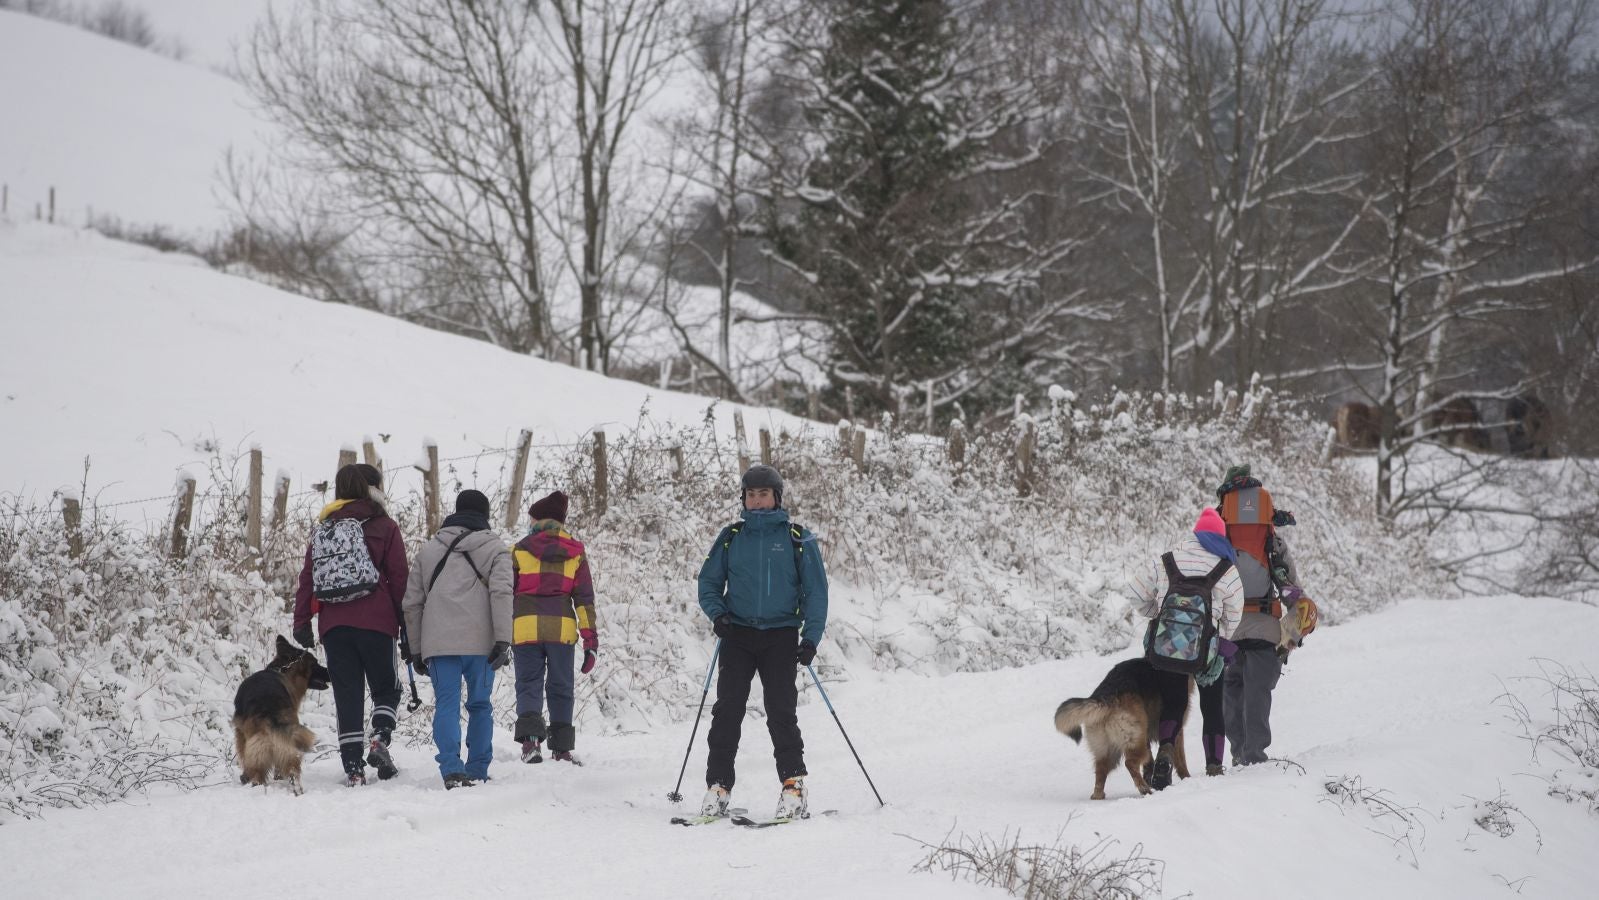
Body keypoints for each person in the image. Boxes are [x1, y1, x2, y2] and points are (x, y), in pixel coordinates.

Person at [697, 464, 829, 820]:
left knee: (781, 712)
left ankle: (793, 787)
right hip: (738, 634)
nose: (757, 501)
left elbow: (816, 593)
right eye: (751, 495)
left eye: (763, 494)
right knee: (727, 711)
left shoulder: (797, 538)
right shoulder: (731, 536)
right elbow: (708, 582)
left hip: (781, 635)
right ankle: (718, 787)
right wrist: (718, 614)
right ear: (744, 498)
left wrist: (811, 638)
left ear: (776, 498)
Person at [292, 463, 410, 787]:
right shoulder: (385, 526)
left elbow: (307, 579)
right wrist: (407, 627)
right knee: (387, 688)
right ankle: (380, 738)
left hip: (334, 626)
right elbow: (400, 580)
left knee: (348, 695)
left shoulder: (324, 528)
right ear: (372, 488)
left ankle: (354, 769)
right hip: (377, 622)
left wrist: (302, 620)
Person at [401, 489, 514, 789]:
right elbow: (502, 593)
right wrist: (504, 639)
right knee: (480, 705)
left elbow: (412, 603)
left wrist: (416, 649)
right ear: (485, 516)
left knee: (446, 704)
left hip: (439, 643)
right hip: (482, 644)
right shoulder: (496, 549)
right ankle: (477, 768)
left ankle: (452, 767)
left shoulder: (428, 551)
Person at [1129, 507, 1244, 785]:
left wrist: (1156, 614)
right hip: (1206, 650)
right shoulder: (1226, 568)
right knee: (1212, 706)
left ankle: (1166, 750)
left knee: (1174, 702)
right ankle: (1214, 766)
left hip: (1168, 647)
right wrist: (1222, 637)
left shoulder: (1167, 560)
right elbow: (1235, 614)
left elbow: (1135, 593)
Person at [1215, 465, 1301, 766]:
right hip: (1265, 628)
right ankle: (1255, 757)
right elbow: (1292, 591)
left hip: (1228, 630)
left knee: (1231, 691)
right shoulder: (1273, 542)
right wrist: (1292, 636)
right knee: (1258, 694)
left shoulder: (1217, 539)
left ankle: (1239, 754)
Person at [509, 491, 599, 764]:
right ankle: (561, 749)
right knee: (561, 686)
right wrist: (590, 641)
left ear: (537, 520)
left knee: (528, 684)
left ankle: (531, 743)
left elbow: (505, 593)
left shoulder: (519, 550)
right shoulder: (575, 552)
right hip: (561, 628)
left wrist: (499, 635)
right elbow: (584, 600)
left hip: (525, 627)